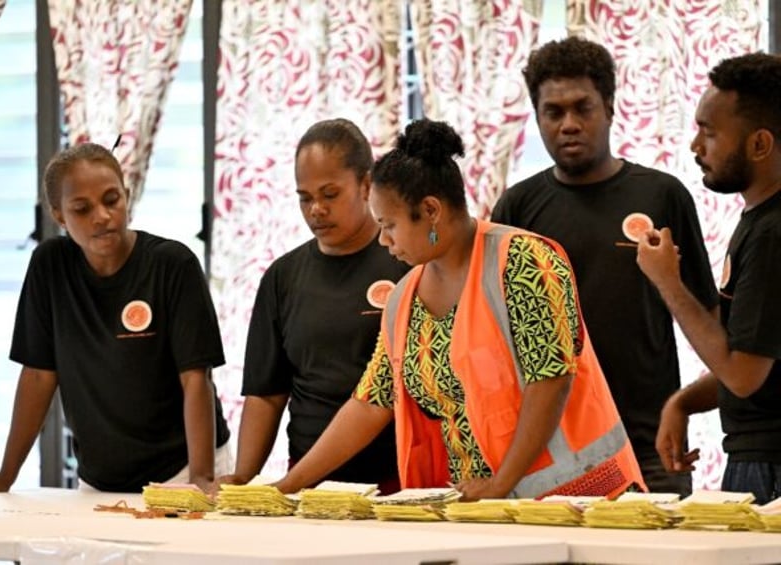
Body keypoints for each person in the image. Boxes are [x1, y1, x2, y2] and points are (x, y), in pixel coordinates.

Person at [274, 118, 645, 501]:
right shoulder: (404, 298)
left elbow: (549, 380)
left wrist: (501, 482)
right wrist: (289, 486)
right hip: (487, 509)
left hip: (580, 498)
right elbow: (370, 402)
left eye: (390, 225)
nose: (383, 239)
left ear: (431, 210)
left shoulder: (522, 261)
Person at [491, 36, 718, 496]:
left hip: (650, 444)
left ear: (610, 109)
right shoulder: (516, 207)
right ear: (537, 118)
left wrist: (690, 405)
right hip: (550, 449)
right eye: (554, 113)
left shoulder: (662, 195)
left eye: (583, 108)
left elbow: (710, 321)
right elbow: (494, 337)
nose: (569, 124)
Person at [0, 143, 231, 494]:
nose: (102, 216)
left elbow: (196, 378)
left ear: (128, 195)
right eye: (82, 208)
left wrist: (200, 477)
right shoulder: (50, 266)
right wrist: (6, 475)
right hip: (99, 479)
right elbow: (37, 376)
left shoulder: (172, 264)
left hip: (182, 470)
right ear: (59, 215)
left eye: (112, 200)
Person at [219, 119, 408, 491]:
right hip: (309, 481)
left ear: (367, 185)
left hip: (399, 476)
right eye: (305, 198)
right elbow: (266, 394)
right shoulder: (282, 277)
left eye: (330, 194)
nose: (316, 209)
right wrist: (244, 475)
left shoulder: (406, 261)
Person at [638, 53, 781, 505]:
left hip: (770, 464)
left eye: (710, 132)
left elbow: (742, 375)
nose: (695, 146)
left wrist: (668, 283)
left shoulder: (774, 233)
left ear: (760, 145)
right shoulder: (760, 221)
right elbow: (754, 356)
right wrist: (683, 402)